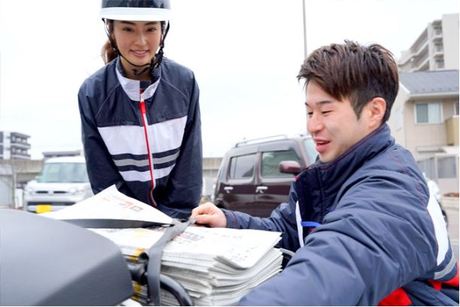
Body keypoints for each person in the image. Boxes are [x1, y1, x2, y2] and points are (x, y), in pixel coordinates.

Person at [191, 41, 459, 305]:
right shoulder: (323, 178)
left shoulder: (395, 187)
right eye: (309, 111)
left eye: (326, 111)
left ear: (373, 112)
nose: (312, 125)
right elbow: (287, 233)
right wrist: (230, 221)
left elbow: (332, 271)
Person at [78, 0, 202, 219]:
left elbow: (189, 166)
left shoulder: (185, 82)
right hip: (124, 221)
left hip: (178, 219)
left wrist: (173, 218)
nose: (141, 41)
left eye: (151, 28)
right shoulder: (92, 93)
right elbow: (102, 176)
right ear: (111, 29)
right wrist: (135, 221)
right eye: (128, 28)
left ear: (163, 30)